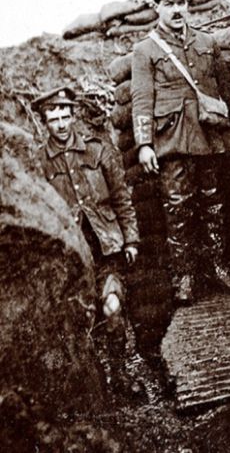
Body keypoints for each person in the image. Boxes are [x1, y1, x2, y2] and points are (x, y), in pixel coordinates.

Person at [131, 0, 230, 302]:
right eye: (169, 4)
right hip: (172, 141)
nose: (177, 10)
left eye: (182, 3)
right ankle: (184, 277)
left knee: (214, 204)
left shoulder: (206, 42)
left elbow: (226, 89)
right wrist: (144, 144)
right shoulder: (145, 50)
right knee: (177, 209)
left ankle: (218, 267)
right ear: (156, 7)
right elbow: (142, 98)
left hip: (210, 137)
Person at [33, 86, 140, 383]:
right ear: (45, 122)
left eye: (65, 117)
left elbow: (121, 197)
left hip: (107, 248)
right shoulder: (40, 161)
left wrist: (130, 239)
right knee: (78, 321)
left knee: (113, 307)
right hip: (69, 259)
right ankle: (92, 383)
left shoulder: (96, 148)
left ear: (73, 116)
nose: (61, 125)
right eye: (54, 120)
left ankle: (120, 374)